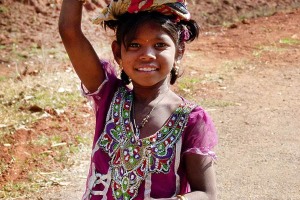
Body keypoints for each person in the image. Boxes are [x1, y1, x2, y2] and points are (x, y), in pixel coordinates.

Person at [59, 0, 218, 199]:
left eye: (160, 45)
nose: (147, 55)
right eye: (134, 45)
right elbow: (69, 31)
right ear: (118, 52)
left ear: (179, 51)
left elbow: (206, 193)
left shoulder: (191, 119)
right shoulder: (109, 95)